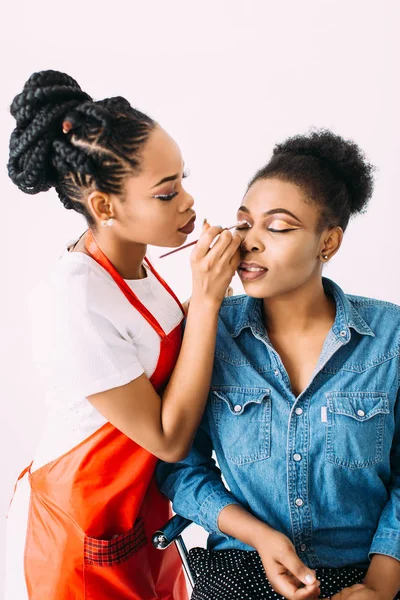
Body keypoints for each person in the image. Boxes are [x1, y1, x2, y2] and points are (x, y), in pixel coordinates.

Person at [5, 70, 241, 600]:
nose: (188, 202)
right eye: (165, 192)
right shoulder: (73, 298)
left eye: (182, 179)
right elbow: (168, 437)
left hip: (138, 512)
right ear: (106, 208)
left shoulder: (136, 262)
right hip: (81, 528)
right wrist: (205, 300)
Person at [157, 130, 400, 600]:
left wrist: (381, 583)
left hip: (368, 570)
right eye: (244, 223)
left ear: (327, 243)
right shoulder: (210, 330)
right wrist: (260, 537)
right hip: (242, 566)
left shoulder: (391, 336)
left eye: (279, 227)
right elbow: (180, 469)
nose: (249, 242)